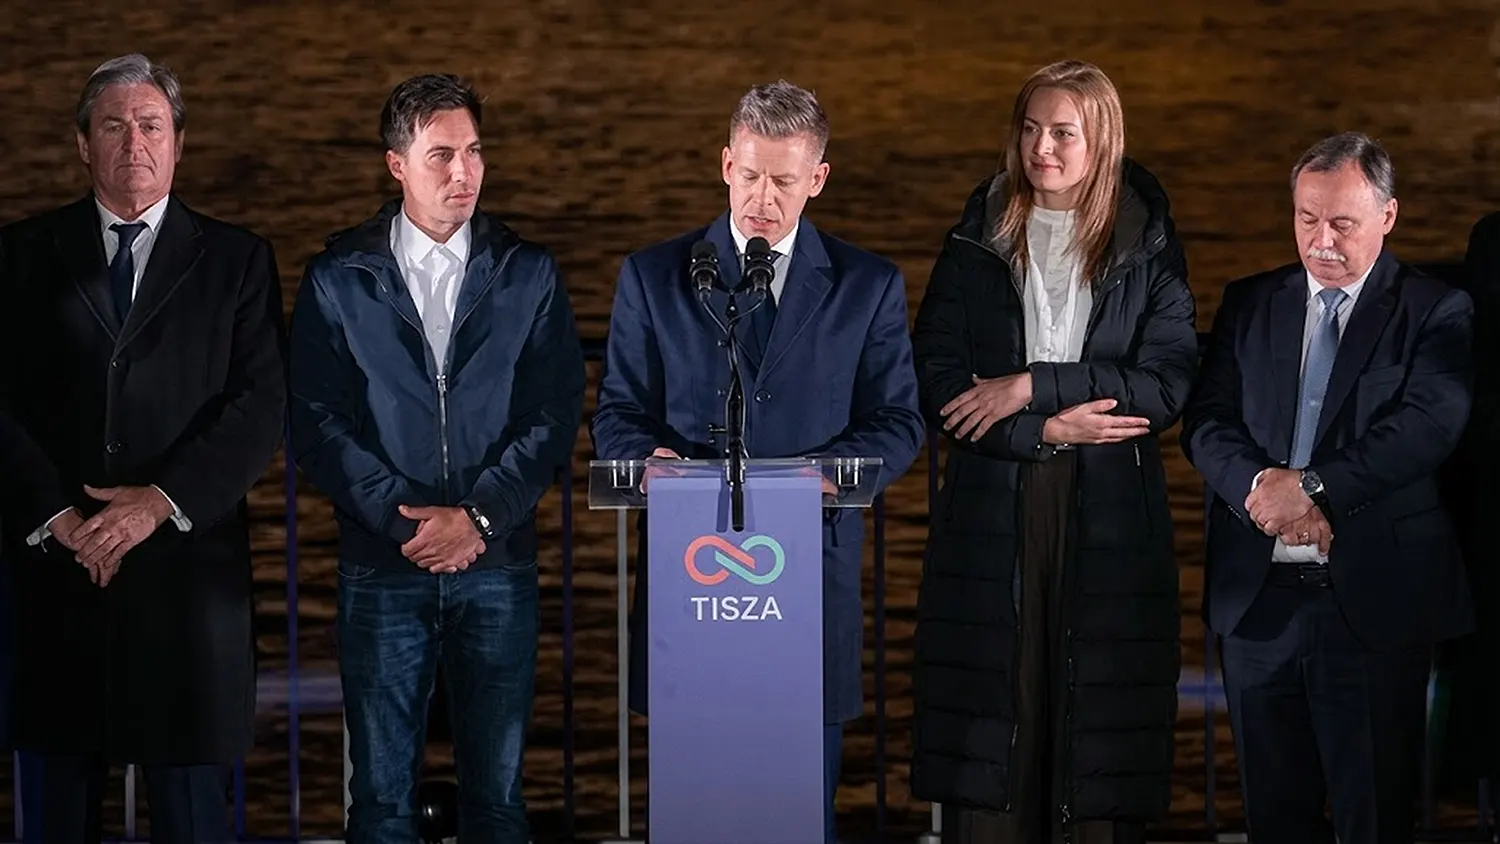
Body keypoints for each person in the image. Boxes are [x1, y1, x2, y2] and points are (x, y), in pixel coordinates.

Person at [590, 79, 924, 843]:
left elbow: (899, 421)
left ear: (818, 179)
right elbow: (616, 413)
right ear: (724, 165)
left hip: (808, 583)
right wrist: (649, 460)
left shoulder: (867, 286)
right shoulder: (655, 275)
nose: (762, 198)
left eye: (782, 179)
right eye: (749, 175)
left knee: (800, 815)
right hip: (693, 586)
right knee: (692, 816)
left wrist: (824, 479)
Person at [288, 73, 585, 844]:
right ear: (397, 164)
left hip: (498, 564)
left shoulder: (529, 273)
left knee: (498, 802)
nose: (465, 172)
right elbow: (317, 423)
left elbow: (552, 415)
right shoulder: (338, 279)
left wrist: (480, 517)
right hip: (385, 566)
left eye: (475, 152)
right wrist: (408, 522)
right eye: (442, 154)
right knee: (381, 804)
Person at [0, 54, 287, 843]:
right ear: (82, 145)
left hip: (186, 597)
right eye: (114, 126)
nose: (135, 142)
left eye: (151, 125)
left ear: (180, 143)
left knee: (196, 824)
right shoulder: (19, 255)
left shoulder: (238, 261)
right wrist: (58, 515)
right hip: (57, 583)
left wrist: (159, 504)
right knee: (52, 818)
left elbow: (260, 405)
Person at [907, 60, 1197, 844]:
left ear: (1100, 139)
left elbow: (1164, 386)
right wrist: (1042, 428)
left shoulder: (1148, 241)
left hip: (1110, 510)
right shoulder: (978, 235)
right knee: (997, 720)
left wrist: (1030, 384)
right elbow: (938, 377)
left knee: (1096, 724)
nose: (1043, 148)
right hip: (994, 501)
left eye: (1063, 132)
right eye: (1031, 129)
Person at [1181, 132, 1474, 843]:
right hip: (1259, 611)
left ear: (1388, 216)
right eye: (1307, 219)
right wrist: (1262, 491)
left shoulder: (1436, 309)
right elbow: (1207, 421)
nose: (1322, 240)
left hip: (1370, 608)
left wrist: (1311, 488)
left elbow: (1428, 426)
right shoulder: (1250, 302)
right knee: (1274, 821)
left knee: (1374, 819)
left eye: (1342, 222)